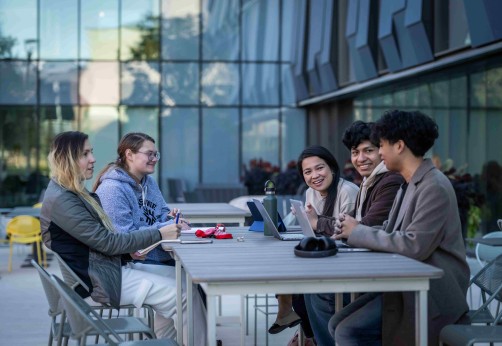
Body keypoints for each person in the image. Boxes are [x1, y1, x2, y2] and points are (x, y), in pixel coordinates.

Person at [39, 131, 198, 341]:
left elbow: (99, 242)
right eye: (85, 154)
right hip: (99, 282)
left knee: (187, 281)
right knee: (183, 296)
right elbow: (109, 242)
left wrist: (128, 255)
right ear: (67, 158)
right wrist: (159, 233)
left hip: (107, 269)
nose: (93, 159)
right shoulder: (63, 200)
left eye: (91, 152)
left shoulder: (69, 192)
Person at [333, 110, 469, 345]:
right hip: (406, 281)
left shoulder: (433, 186)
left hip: (433, 291)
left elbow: (414, 244)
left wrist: (357, 232)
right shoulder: (411, 181)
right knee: (337, 323)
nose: (380, 152)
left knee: (347, 330)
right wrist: (352, 231)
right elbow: (390, 229)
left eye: (381, 145)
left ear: (399, 146)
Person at [92, 132, 206, 342]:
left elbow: (162, 211)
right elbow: (125, 240)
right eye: (149, 154)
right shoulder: (112, 190)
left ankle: (169, 341)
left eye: (156, 154)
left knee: (189, 282)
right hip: (127, 263)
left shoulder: (148, 182)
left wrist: (171, 218)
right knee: (186, 290)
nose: (154, 159)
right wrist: (166, 226)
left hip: (156, 255)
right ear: (129, 155)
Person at [303, 121, 404, 345]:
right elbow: (351, 226)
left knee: (318, 292)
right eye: (355, 152)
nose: (360, 158)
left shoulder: (390, 181)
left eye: (368, 150)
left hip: (381, 277)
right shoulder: (369, 181)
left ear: (382, 149)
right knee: (308, 290)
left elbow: (361, 227)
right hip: (366, 265)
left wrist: (320, 223)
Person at [269, 145, 358, 345]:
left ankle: (309, 335)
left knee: (304, 287)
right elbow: (313, 229)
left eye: (320, 168)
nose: (314, 175)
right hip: (323, 258)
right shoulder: (311, 193)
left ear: (332, 168)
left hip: (344, 261)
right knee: (286, 266)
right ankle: (310, 335)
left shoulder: (348, 192)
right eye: (307, 172)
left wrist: (315, 221)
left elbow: (346, 234)